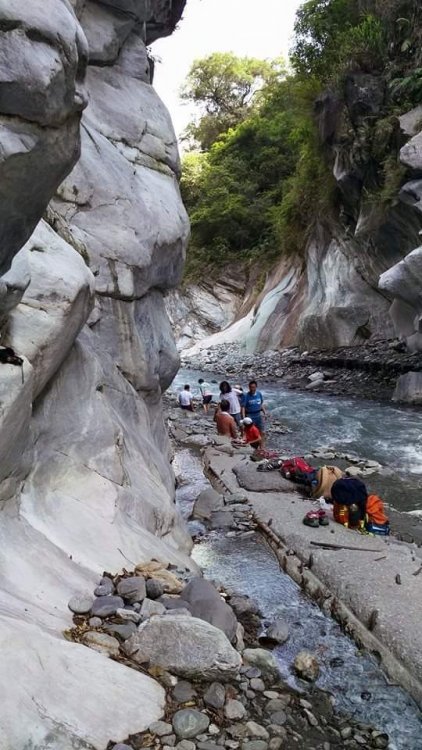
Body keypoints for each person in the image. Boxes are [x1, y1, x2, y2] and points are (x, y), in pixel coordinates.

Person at [241, 380, 266, 445]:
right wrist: (244, 418)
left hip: (258, 414)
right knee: (250, 431)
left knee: (261, 431)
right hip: (250, 415)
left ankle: (262, 446)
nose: (252, 389)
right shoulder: (246, 396)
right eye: (251, 387)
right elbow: (243, 407)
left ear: (256, 387)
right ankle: (252, 444)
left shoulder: (259, 394)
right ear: (249, 387)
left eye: (253, 387)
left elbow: (261, 404)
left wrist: (265, 412)